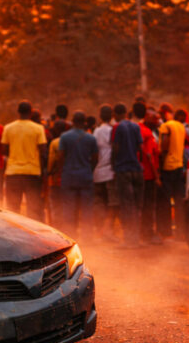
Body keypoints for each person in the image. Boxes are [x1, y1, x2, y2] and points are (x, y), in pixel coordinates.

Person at [1, 101, 47, 220]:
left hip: (13, 172)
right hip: (32, 172)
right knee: (33, 209)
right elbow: (43, 151)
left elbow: (4, 149)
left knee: (13, 209)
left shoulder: (8, 127)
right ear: (31, 112)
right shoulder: (38, 128)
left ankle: (12, 234)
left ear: (18, 112)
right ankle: (33, 237)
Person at [57, 111, 99, 241]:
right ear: (84, 123)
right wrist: (89, 169)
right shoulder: (91, 138)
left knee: (69, 208)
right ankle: (87, 237)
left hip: (69, 176)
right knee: (87, 208)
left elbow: (60, 157)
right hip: (85, 176)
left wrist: (61, 172)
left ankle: (70, 236)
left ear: (72, 122)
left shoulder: (64, 137)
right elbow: (95, 158)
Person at [111, 103, 144, 247]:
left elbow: (116, 148)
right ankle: (136, 239)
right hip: (137, 169)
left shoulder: (118, 127)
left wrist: (113, 164)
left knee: (126, 206)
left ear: (116, 114)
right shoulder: (136, 126)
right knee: (137, 206)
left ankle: (128, 240)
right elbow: (140, 148)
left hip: (123, 169)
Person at [133, 102, 162, 244]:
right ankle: (149, 234)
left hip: (138, 173)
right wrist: (157, 177)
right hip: (148, 175)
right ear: (146, 117)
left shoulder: (138, 128)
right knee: (149, 206)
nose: (157, 121)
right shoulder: (147, 133)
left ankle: (140, 233)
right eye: (154, 118)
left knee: (141, 205)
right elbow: (150, 156)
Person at [158, 107, 187, 238]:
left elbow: (164, 144)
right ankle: (181, 231)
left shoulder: (166, 126)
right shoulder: (181, 127)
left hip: (167, 166)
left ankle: (166, 231)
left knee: (165, 201)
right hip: (179, 166)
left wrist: (161, 164)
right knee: (178, 200)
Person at [92, 104, 118, 241]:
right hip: (110, 172)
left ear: (100, 116)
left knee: (99, 203)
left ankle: (100, 231)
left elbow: (94, 152)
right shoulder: (113, 130)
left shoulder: (96, 131)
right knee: (112, 204)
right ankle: (108, 231)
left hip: (98, 172)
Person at [45, 120, 70, 226]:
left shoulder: (55, 142)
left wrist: (49, 172)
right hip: (68, 177)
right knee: (67, 204)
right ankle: (68, 226)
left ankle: (56, 226)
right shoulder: (70, 140)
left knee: (55, 204)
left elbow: (51, 160)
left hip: (55, 179)